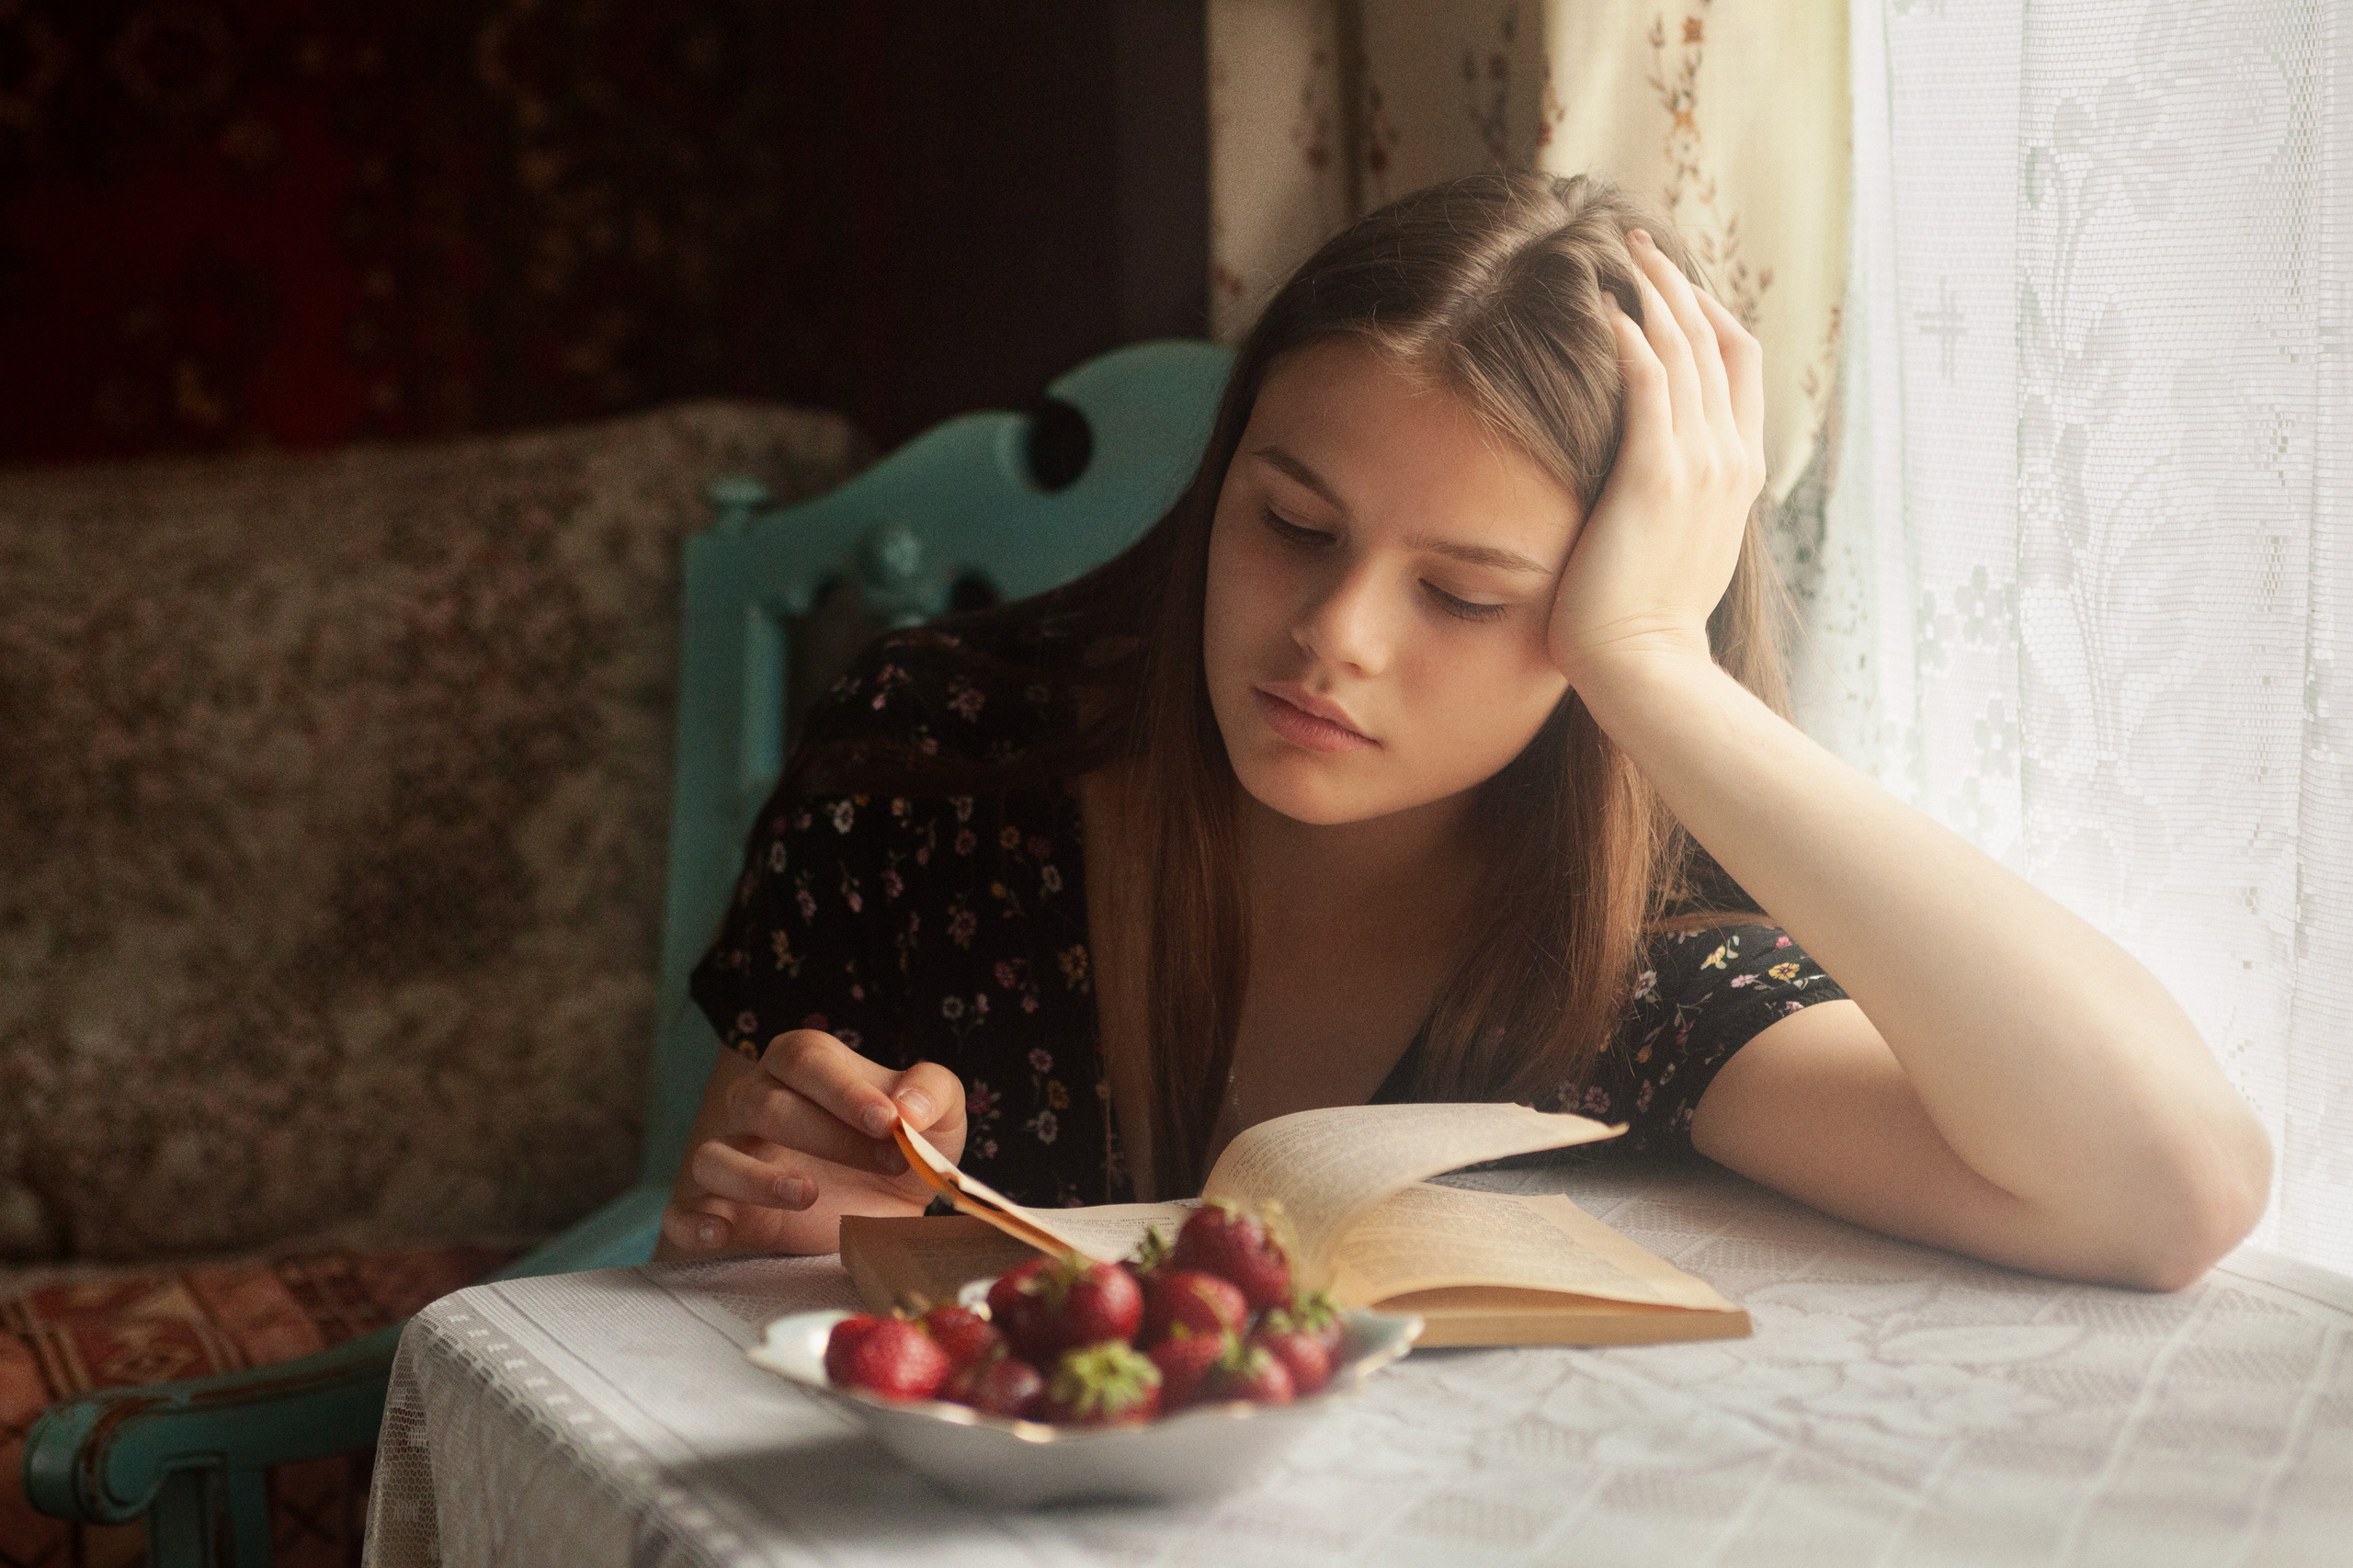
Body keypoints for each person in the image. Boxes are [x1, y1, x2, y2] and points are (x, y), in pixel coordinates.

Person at [655, 171, 2270, 1290]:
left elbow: (2171, 1185)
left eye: (1468, 594)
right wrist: (778, 1200)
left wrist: (1655, 663)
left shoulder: (1629, 956)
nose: (1336, 635)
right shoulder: (934, 758)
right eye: (1293, 523)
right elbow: (725, 1220)